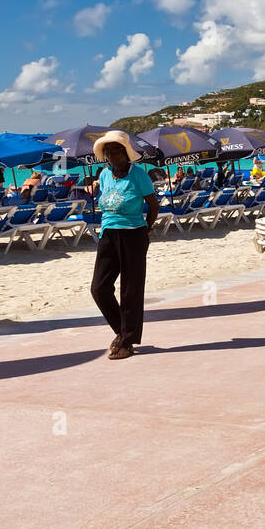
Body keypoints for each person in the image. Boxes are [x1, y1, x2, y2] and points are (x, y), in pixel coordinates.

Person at [90, 130, 160, 361]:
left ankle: (127, 341)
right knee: (99, 288)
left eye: (116, 150)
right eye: (108, 151)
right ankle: (122, 331)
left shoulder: (138, 175)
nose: (111, 154)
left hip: (133, 234)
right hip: (108, 233)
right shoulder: (105, 174)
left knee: (131, 290)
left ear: (125, 152)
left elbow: (153, 204)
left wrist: (146, 229)